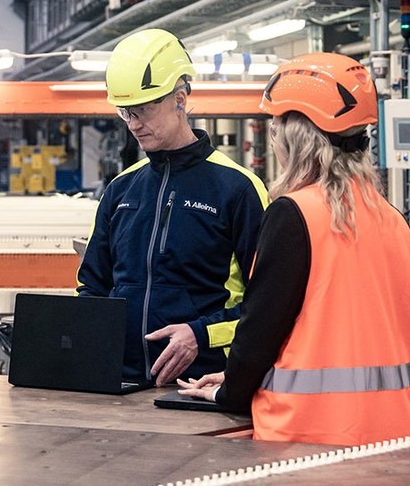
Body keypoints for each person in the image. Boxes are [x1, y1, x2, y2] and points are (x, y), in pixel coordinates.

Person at [177, 53, 410, 445]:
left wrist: (230, 390)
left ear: (296, 138)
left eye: (275, 130)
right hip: (391, 435)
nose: (274, 141)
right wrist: (237, 376)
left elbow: (261, 329)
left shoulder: (295, 214)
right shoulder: (392, 219)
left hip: (307, 437)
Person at [77, 28, 268, 387]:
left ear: (179, 99)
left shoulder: (238, 189)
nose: (134, 124)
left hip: (202, 386)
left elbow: (266, 303)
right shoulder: (120, 190)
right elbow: (91, 287)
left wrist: (202, 335)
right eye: (125, 112)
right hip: (122, 386)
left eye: (143, 110)